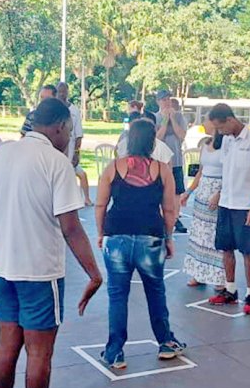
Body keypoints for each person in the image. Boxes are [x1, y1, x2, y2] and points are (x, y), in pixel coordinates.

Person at [0, 97, 102, 388]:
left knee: (6, 347)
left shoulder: (2, 154)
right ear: (60, 127)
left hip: (4, 270)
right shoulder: (56, 162)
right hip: (40, 273)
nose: (70, 138)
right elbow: (71, 227)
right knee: (39, 352)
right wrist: (94, 274)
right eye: (70, 131)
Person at [95, 119, 187, 368]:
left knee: (117, 295)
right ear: (151, 142)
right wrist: (169, 239)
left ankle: (115, 351)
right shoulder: (163, 169)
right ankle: (165, 342)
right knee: (156, 292)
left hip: (117, 237)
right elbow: (169, 209)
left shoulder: (113, 167)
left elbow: (101, 204)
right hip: (151, 236)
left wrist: (101, 232)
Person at [207, 103, 250, 315]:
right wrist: (219, 192)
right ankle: (230, 290)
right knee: (226, 248)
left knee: (247, 251)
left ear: (230, 120)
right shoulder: (227, 140)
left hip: (245, 206)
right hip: (226, 203)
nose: (219, 132)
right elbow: (228, 170)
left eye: (221, 127)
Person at [181, 116, 226, 289]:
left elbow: (230, 173)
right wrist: (188, 191)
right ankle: (198, 273)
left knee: (214, 234)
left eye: (206, 120)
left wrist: (220, 194)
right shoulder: (205, 145)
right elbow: (200, 172)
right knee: (199, 234)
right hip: (203, 193)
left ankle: (218, 276)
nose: (203, 124)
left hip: (217, 192)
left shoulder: (226, 146)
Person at [154, 90, 188, 233]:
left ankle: (175, 218)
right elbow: (157, 137)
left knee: (177, 191)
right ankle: (161, 217)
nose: (167, 102)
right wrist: (165, 120)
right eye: (163, 100)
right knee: (160, 189)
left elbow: (181, 135)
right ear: (158, 102)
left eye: (168, 99)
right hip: (160, 161)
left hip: (176, 160)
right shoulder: (154, 117)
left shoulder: (179, 116)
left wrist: (173, 119)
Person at [57, 81, 92, 207]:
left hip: (70, 152)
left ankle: (85, 199)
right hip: (55, 153)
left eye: (64, 91)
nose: (61, 94)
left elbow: (78, 135)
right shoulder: (52, 108)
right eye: (59, 91)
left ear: (67, 92)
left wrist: (76, 153)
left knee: (79, 174)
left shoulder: (74, 110)